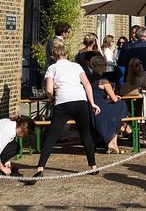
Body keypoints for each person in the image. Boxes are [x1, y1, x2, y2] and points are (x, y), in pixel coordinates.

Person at [29, 41, 100, 182]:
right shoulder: (77, 66)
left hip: (63, 102)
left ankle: (40, 168)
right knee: (85, 134)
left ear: (54, 55)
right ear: (67, 54)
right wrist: (92, 103)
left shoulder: (52, 68)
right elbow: (86, 84)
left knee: (52, 136)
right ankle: (93, 166)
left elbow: (49, 90)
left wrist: (51, 98)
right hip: (80, 101)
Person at [87, 54, 128, 153]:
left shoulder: (88, 78)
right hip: (101, 108)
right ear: (101, 66)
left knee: (116, 113)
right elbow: (114, 99)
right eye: (105, 64)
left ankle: (120, 131)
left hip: (90, 107)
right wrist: (115, 98)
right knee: (121, 104)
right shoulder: (103, 81)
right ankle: (123, 127)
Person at [121, 56, 146, 142]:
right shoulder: (132, 78)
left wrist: (142, 90)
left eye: (140, 63)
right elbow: (126, 89)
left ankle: (145, 135)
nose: (140, 66)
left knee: (144, 110)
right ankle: (133, 131)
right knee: (130, 109)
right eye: (137, 65)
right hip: (136, 101)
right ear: (133, 68)